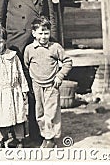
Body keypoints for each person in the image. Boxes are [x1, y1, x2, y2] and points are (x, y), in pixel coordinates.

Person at [0, 0, 57, 141]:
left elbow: (51, 18)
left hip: (38, 46)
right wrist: (0, 47)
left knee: (37, 90)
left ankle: (38, 131)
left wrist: (51, 44)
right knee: (15, 89)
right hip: (16, 47)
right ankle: (15, 133)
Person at [24, 16, 72, 148]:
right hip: (37, 86)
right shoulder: (29, 49)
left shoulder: (55, 47)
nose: (44, 36)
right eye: (40, 33)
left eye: (46, 33)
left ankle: (51, 138)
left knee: (51, 113)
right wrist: (32, 80)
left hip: (52, 85)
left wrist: (60, 76)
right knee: (39, 113)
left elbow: (67, 62)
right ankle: (46, 135)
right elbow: (27, 65)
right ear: (34, 33)